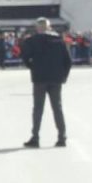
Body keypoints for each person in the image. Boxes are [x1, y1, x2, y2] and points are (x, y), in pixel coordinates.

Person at [21, 18, 72, 148]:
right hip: (56, 79)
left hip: (39, 78)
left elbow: (25, 58)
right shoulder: (59, 41)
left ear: (38, 28)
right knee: (57, 108)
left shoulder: (31, 41)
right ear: (49, 27)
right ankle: (62, 137)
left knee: (38, 109)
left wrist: (33, 67)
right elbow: (68, 61)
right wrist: (64, 76)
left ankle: (35, 138)